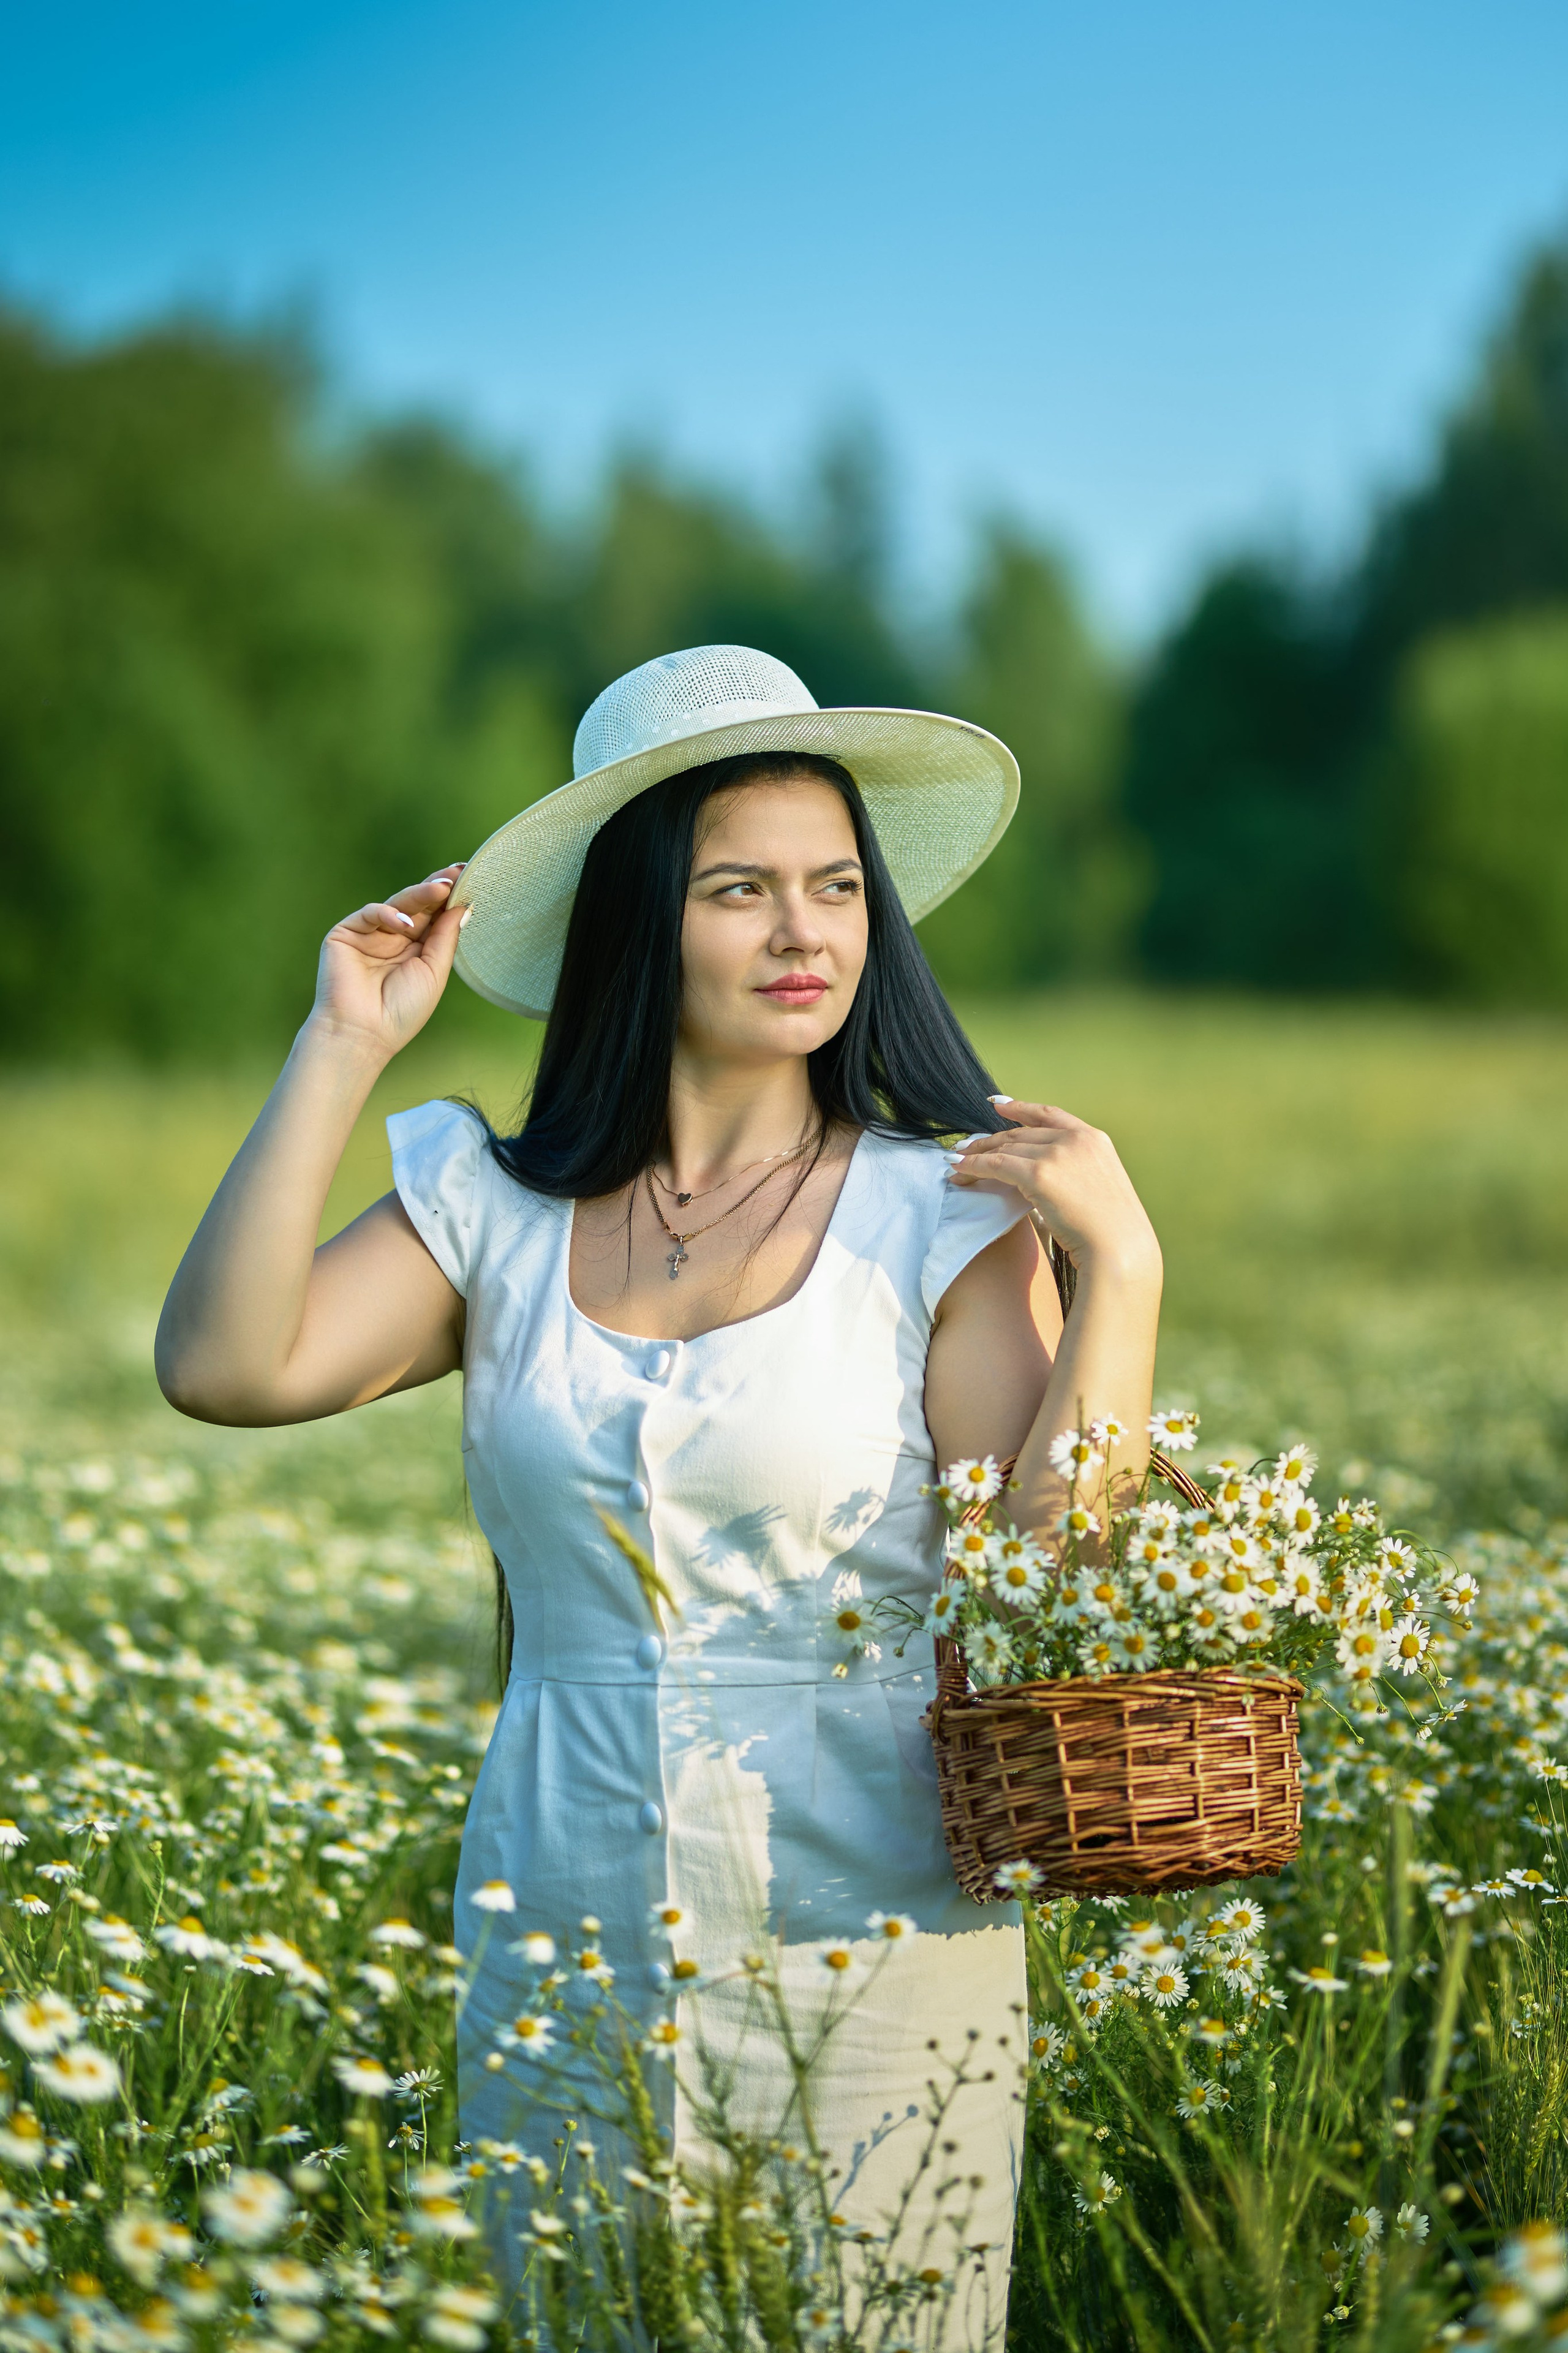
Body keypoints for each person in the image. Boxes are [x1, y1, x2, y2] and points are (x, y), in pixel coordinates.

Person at [156, 644, 1163, 2338]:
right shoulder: (494, 1208)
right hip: (560, 1918)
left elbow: (1049, 1581)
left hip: (872, 1928)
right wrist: (340, 1044)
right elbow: (223, 1362)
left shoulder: (943, 1214)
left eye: (838, 886)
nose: (803, 932)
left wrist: (1121, 1272)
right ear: (638, 919)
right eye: (739, 890)